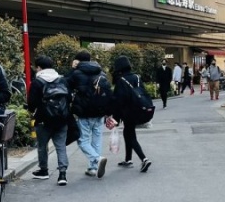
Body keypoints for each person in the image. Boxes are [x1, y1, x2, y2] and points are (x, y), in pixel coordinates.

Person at [66, 50, 110, 178]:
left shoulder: (77, 73)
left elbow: (65, 83)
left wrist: (72, 69)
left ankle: (96, 159)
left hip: (84, 112)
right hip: (99, 112)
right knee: (97, 139)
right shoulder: (101, 72)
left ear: (78, 61)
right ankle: (93, 168)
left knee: (83, 140)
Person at [27, 56, 69, 185]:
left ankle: (43, 171)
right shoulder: (62, 80)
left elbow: (32, 103)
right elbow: (69, 98)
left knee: (42, 146)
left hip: (43, 119)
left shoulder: (37, 82)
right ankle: (62, 174)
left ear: (38, 67)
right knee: (61, 146)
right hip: (62, 118)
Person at [108, 56, 151, 172]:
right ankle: (128, 159)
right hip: (139, 109)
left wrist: (115, 119)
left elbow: (118, 101)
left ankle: (144, 159)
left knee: (130, 136)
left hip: (128, 113)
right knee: (129, 134)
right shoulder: (137, 77)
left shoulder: (121, 81)